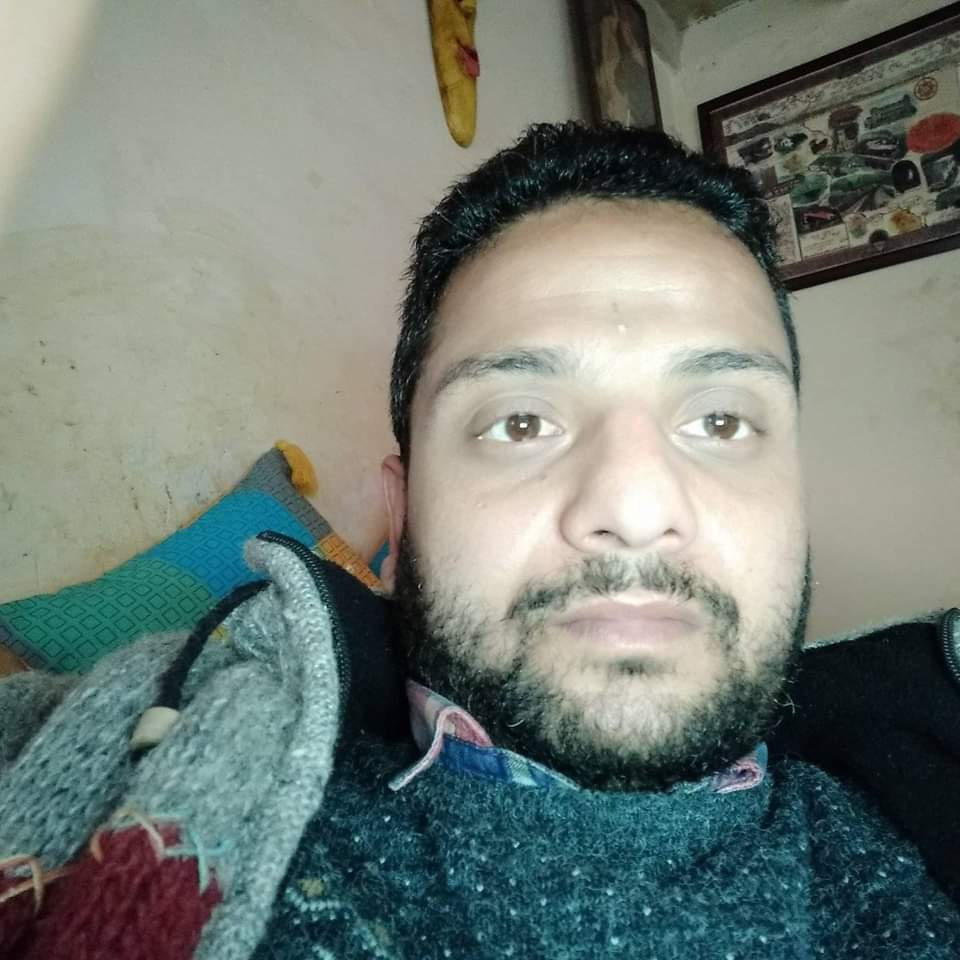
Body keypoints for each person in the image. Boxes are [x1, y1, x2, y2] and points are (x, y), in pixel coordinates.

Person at [1, 122, 958, 959]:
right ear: (403, 511)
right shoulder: (133, 767)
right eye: (521, 422)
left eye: (720, 421)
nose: (634, 506)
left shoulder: (918, 837)